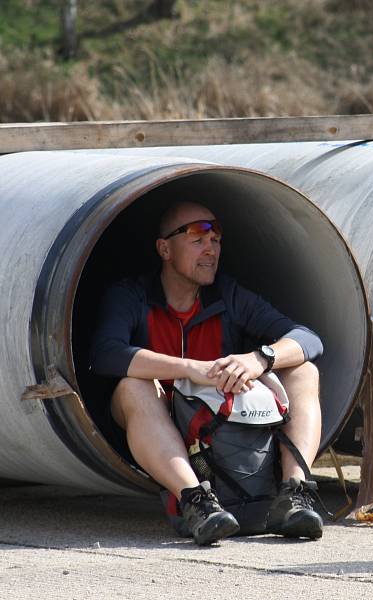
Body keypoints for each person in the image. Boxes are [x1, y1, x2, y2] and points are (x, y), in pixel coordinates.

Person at [90, 200, 324, 546]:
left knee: (304, 371)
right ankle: (197, 503)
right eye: (197, 238)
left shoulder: (227, 295)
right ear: (164, 249)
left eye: (216, 239)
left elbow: (308, 338)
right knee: (132, 387)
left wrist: (260, 358)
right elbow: (104, 355)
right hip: (159, 424)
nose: (210, 248)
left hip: (218, 423)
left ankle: (294, 494)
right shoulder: (132, 296)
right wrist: (189, 369)